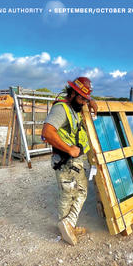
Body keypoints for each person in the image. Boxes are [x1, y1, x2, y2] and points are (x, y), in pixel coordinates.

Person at [42, 77, 97, 245]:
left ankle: (68, 224)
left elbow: (83, 102)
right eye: (81, 98)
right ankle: (65, 226)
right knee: (68, 193)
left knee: (79, 191)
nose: (83, 103)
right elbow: (47, 132)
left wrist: (91, 101)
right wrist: (69, 149)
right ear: (72, 93)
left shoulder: (75, 106)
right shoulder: (61, 109)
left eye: (85, 99)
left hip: (73, 161)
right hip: (65, 160)